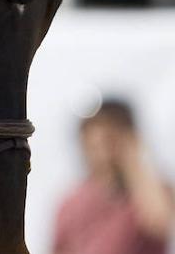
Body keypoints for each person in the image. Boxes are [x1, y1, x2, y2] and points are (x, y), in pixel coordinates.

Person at [52, 99, 174, 254]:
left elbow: (161, 224)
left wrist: (133, 162)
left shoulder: (151, 191)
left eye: (110, 138)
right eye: (93, 139)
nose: (101, 149)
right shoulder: (71, 203)